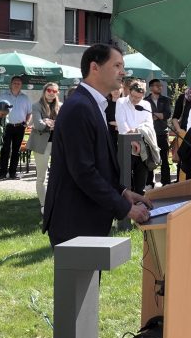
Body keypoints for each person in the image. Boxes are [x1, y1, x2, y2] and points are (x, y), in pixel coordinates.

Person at [44, 43, 152, 247]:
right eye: (117, 65)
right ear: (95, 67)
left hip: (87, 219)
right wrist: (125, 208)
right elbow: (84, 171)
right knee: (81, 281)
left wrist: (122, 192)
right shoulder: (80, 107)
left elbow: (99, 163)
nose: (123, 72)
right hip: (75, 222)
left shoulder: (94, 104)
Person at [115, 79, 158, 194]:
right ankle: (126, 207)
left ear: (143, 95)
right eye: (133, 96)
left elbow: (149, 124)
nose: (134, 100)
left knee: (141, 180)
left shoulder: (146, 105)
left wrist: (137, 136)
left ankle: (140, 203)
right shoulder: (121, 102)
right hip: (125, 145)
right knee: (125, 181)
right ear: (129, 91)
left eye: (138, 98)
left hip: (143, 145)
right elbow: (121, 123)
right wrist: (133, 139)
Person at [28, 83, 61, 209]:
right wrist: (49, 124)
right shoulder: (36, 105)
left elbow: (63, 125)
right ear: (44, 91)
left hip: (57, 144)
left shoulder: (61, 106)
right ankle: (44, 205)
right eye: (49, 90)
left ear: (57, 93)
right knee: (42, 176)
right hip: (41, 144)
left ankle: (55, 201)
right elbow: (39, 125)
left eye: (54, 91)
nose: (51, 92)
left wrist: (48, 121)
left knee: (58, 174)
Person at [0, 76, 32, 181]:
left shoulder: (25, 98)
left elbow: (29, 113)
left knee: (16, 151)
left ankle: (13, 173)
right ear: (11, 84)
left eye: (19, 83)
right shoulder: (3, 96)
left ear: (21, 85)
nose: (16, 84)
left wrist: (27, 123)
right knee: (5, 150)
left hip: (20, 127)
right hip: (7, 126)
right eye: (15, 83)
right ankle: (2, 173)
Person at [145, 79, 173, 186]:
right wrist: (158, 115)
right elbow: (145, 116)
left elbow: (167, 114)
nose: (160, 87)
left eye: (160, 86)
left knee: (165, 159)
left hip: (163, 133)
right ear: (151, 88)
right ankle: (149, 183)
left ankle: (166, 182)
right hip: (151, 134)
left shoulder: (165, 100)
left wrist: (154, 115)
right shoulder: (145, 100)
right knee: (150, 159)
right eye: (157, 86)